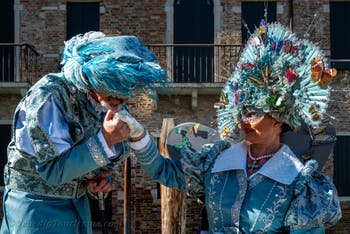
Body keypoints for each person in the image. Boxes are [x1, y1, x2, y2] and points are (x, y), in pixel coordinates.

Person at [118, 21, 342, 233]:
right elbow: (162, 170)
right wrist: (138, 135)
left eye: (253, 113)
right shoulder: (214, 162)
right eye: (241, 112)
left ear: (279, 120)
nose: (244, 120)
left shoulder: (300, 183)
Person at [1, 31, 167, 234]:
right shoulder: (48, 95)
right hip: (36, 209)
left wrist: (94, 182)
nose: (120, 99)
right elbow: (54, 171)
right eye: (113, 88)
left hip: (78, 206)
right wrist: (105, 139)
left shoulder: (102, 101)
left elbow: (88, 160)